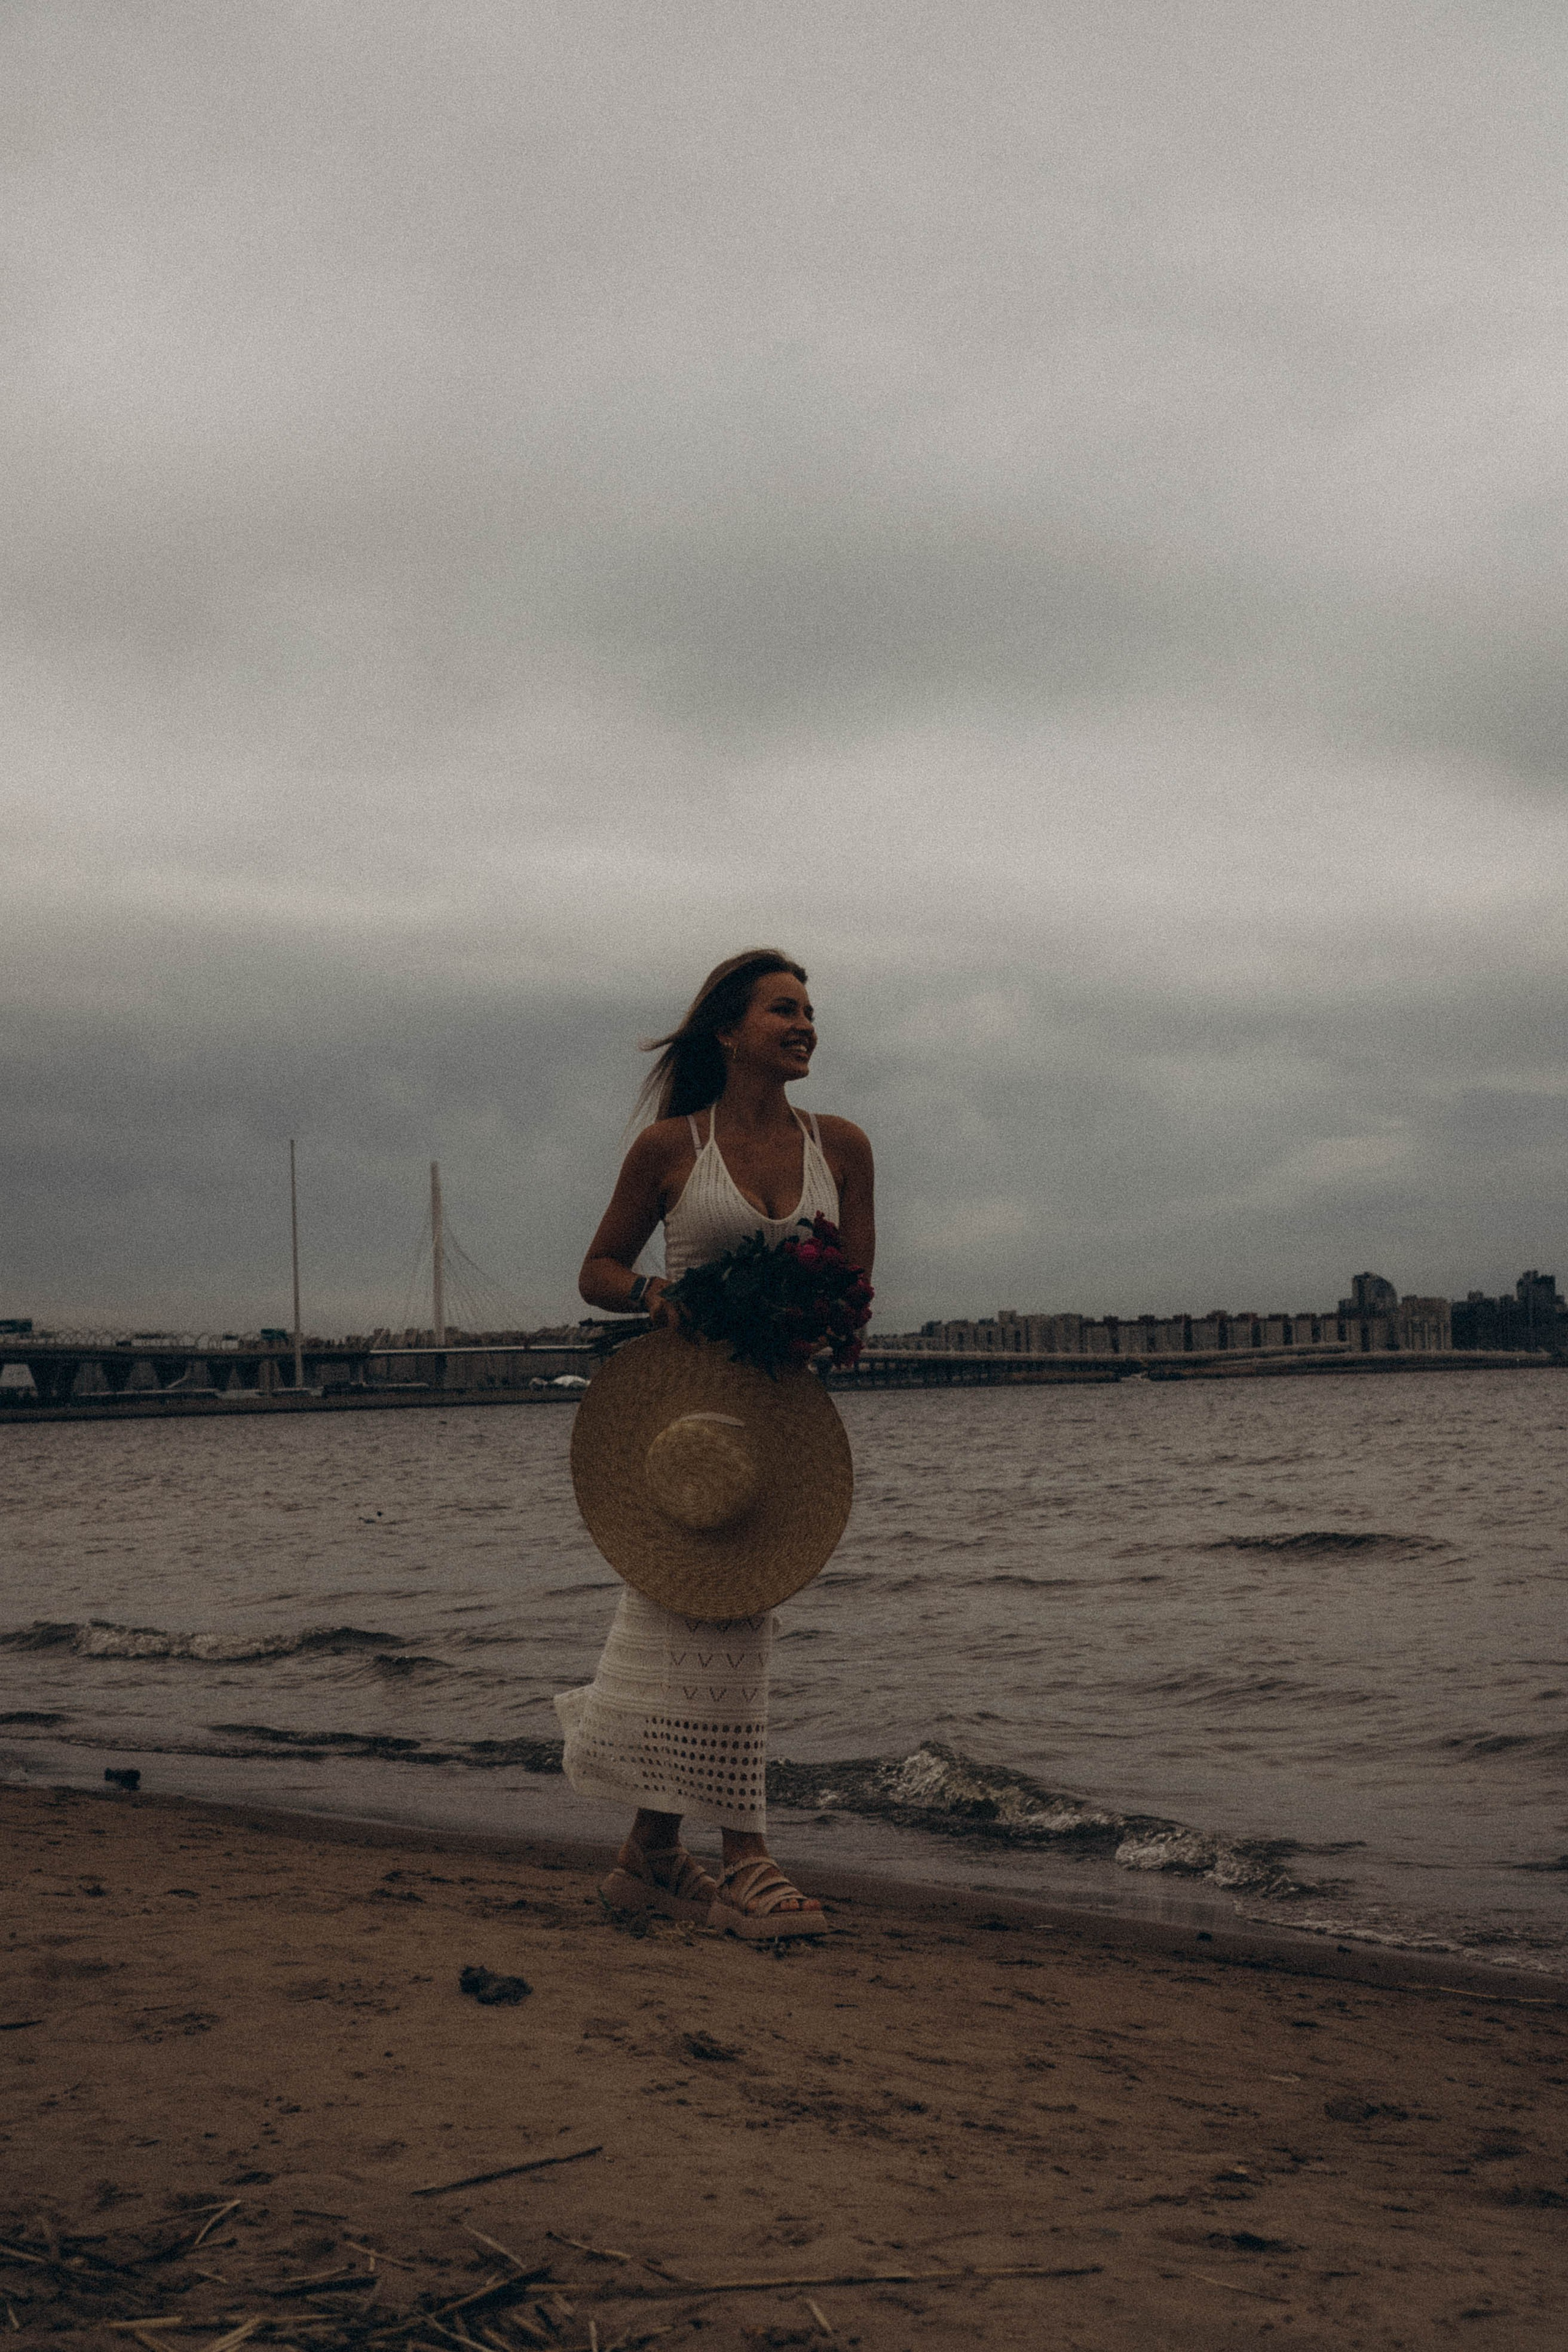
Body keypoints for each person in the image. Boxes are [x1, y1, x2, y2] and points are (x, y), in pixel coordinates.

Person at [559, 949, 875, 1934]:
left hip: (780, 1433)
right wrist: (658, 1294)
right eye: (785, 1009)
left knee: (716, 1620)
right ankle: (746, 1859)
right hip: (683, 1428)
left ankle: (650, 1855)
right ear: (729, 1032)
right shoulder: (668, 1148)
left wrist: (830, 1324)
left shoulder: (846, 1147)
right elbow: (598, 1269)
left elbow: (856, 1297)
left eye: (812, 1010)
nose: (807, 1024)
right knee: (718, 1619)